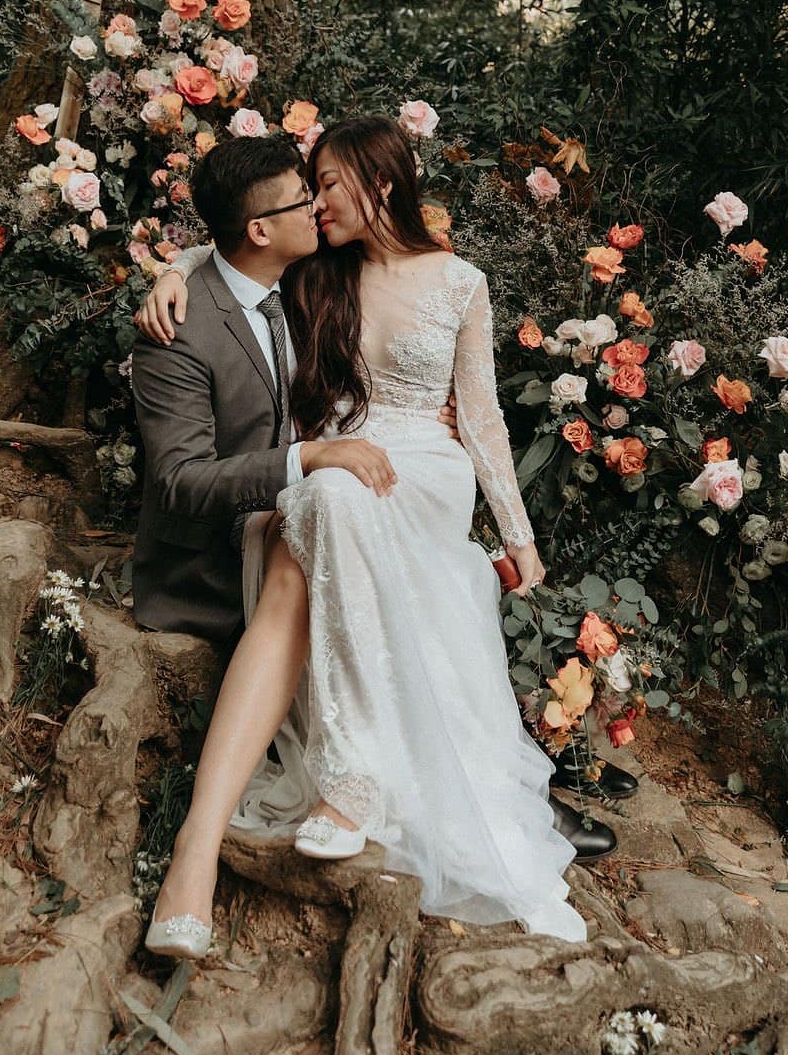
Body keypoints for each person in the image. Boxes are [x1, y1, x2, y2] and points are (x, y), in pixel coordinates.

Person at [141, 115, 591, 948]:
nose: (316, 205)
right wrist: (173, 266)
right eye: (307, 192)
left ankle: (324, 798)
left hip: (428, 468)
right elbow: (235, 246)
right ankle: (342, 787)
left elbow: (483, 419)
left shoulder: (461, 282)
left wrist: (518, 534)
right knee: (333, 496)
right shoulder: (321, 270)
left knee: (329, 500)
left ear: (378, 185)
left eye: (330, 186)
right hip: (339, 464)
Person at [131, 133, 457, 957]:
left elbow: (238, 238)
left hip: (315, 512)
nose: (320, 206)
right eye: (299, 200)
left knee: (343, 519)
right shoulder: (176, 330)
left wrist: (175, 256)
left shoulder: (310, 271)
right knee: (312, 525)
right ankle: (194, 858)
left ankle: (470, 778)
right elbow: (178, 483)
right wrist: (306, 458)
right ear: (261, 232)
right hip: (227, 542)